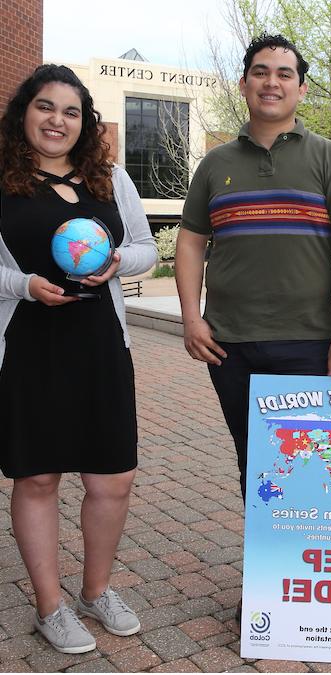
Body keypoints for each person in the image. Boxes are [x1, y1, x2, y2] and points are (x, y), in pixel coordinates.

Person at [0, 65, 157, 652]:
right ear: (24, 113)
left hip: (100, 345)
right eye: (45, 107)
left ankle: (96, 590)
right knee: (38, 476)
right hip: (30, 346)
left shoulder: (109, 178)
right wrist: (23, 286)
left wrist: (118, 258)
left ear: (84, 122)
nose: (56, 120)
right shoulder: (4, 180)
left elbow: (145, 249)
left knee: (112, 478)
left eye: (70, 111)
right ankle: (50, 606)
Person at [176, 34, 331, 505]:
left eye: (285, 74)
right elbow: (190, 241)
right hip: (229, 343)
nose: (272, 82)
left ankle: (304, 570)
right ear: (244, 84)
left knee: (311, 461)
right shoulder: (214, 164)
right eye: (261, 72)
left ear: (301, 89)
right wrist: (191, 317)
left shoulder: (330, 159)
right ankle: (271, 575)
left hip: (307, 341)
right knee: (255, 459)